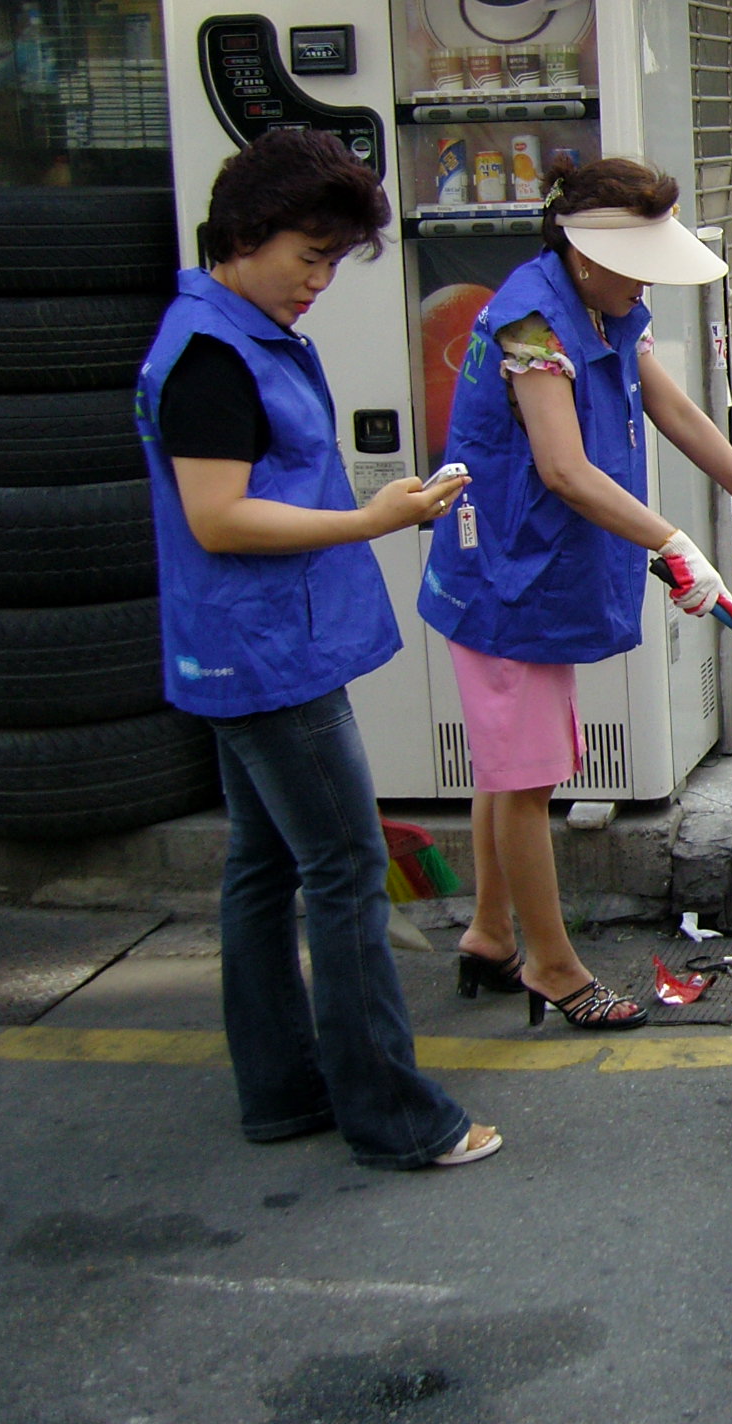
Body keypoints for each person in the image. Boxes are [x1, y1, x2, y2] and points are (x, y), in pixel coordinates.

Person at [135, 129, 498, 1170]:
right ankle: (394, 1117)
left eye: (333, 261)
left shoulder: (226, 331)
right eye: (308, 254)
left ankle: (284, 1091)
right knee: (342, 868)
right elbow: (219, 517)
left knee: (263, 864)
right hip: (265, 657)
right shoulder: (210, 353)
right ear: (245, 233)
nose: (318, 281)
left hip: (243, 647)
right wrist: (372, 520)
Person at [417, 158, 732, 1032]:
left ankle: (488, 933)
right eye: (633, 259)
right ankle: (552, 968)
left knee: (505, 764)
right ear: (581, 248)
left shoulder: (608, 302)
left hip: (539, 566)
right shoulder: (527, 320)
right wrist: (670, 542)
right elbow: (561, 466)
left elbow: (674, 409)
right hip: (503, 573)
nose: (646, 279)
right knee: (526, 777)